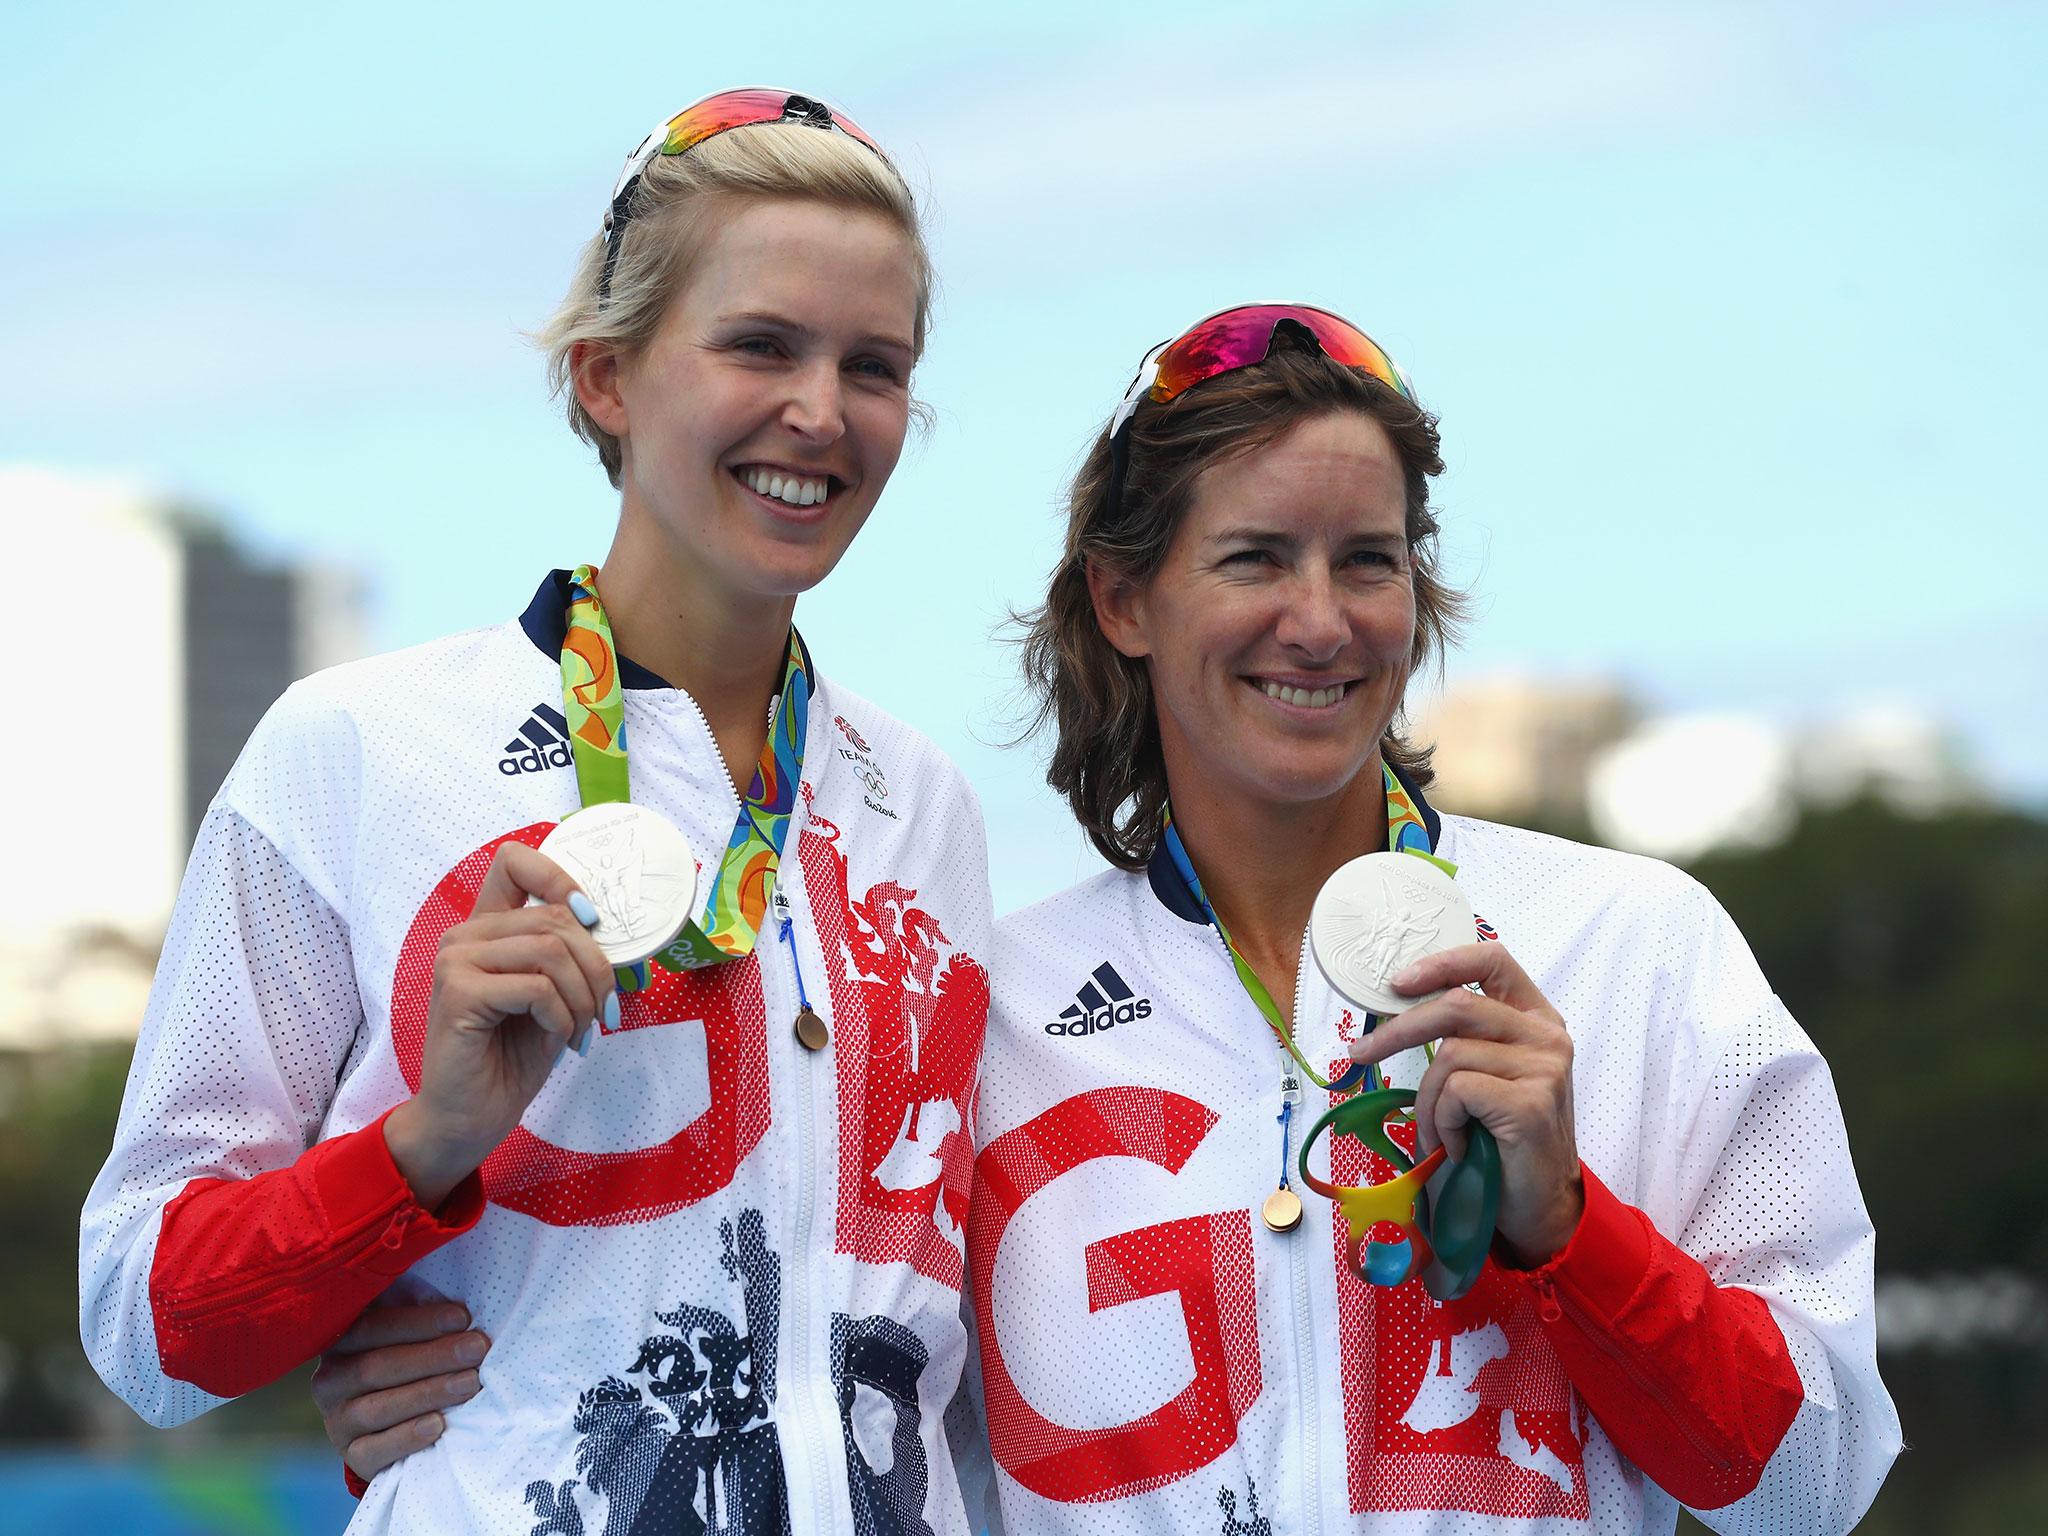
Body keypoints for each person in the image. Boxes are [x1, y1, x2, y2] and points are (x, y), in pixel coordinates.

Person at [312, 304, 1904, 1535]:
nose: (1322, 620)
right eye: (1255, 559)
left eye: (1370, 562)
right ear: (1126, 604)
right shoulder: (976, 1014)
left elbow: (1808, 1481)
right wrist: (454, 1382)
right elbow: (810, 1366)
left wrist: (1570, 1232)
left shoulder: (1632, 947)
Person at [81, 89, 995, 1536]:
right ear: (606, 378)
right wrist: (416, 1152)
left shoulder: (924, 801)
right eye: (761, 344)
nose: (821, 412)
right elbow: (143, 1323)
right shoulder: (359, 751)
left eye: (874, 366)